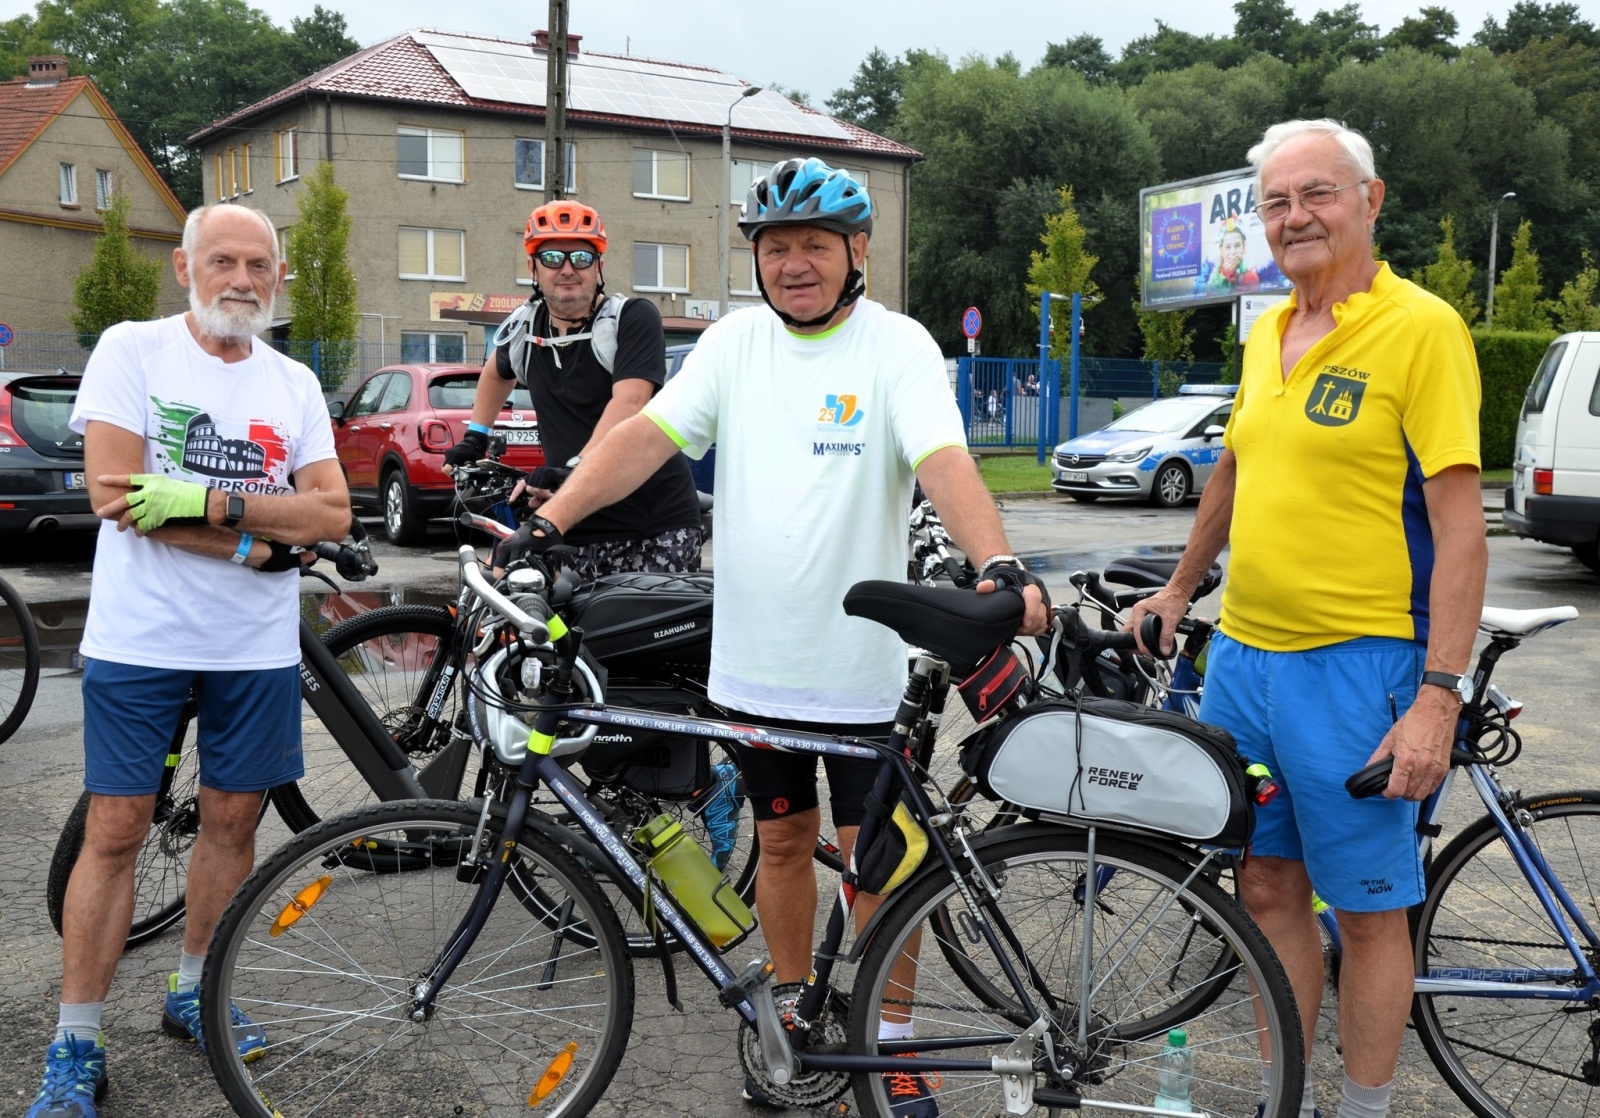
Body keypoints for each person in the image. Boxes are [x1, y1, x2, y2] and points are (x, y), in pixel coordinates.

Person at [497, 156, 1048, 1111]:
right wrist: (553, 519)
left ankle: (893, 1038)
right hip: (756, 664)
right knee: (784, 845)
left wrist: (996, 560)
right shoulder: (736, 344)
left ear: (857, 252)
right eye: (776, 246)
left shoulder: (898, 344)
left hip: (865, 666)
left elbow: (943, 457)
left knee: (882, 860)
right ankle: (792, 1017)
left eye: (814, 246)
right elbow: (644, 440)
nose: (795, 264)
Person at [1131, 119, 1487, 1118]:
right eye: (1276, 202)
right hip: (1243, 659)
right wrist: (1176, 586)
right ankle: (1284, 1098)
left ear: (1370, 201)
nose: (1294, 217)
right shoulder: (1265, 328)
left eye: (1316, 194)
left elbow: (1462, 531)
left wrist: (1436, 698)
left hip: (1359, 665)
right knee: (1265, 889)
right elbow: (1236, 469)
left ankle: (1362, 1108)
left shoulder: (1421, 328)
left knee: (1371, 911)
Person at [28, 203, 351, 1118]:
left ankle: (194, 993)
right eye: (223, 262)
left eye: (258, 265)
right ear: (185, 267)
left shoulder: (292, 383)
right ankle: (76, 1043)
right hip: (142, 641)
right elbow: (115, 495)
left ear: (278, 279)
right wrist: (260, 544)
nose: (241, 279)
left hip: (251, 649)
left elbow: (332, 516)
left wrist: (213, 508)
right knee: (118, 830)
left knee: (234, 822)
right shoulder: (133, 349)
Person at [443, 199, 701, 580]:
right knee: (550, 634)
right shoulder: (526, 328)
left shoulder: (632, 318)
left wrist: (572, 469)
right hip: (569, 524)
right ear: (532, 267)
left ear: (600, 265)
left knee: (637, 637)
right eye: (551, 258)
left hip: (653, 526)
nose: (567, 269)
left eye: (581, 257)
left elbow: (629, 401)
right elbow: (497, 372)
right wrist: (476, 436)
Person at [1193, 217, 1262, 295]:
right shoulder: (1208, 270)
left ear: (1244, 247)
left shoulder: (1250, 273)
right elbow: (1201, 297)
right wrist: (1223, 276)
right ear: (1221, 249)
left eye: (1237, 245)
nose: (1233, 252)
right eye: (1228, 247)